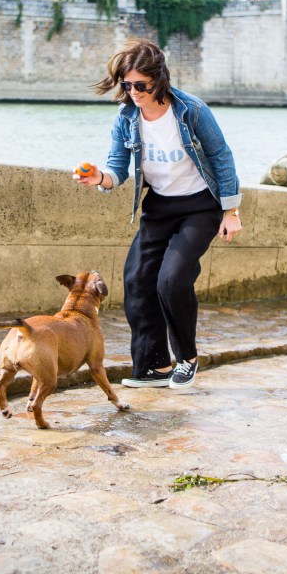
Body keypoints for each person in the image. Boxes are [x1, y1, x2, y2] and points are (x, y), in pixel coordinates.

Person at [73, 38, 243, 390]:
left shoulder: (191, 110)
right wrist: (99, 178)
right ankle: (155, 367)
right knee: (137, 280)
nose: (133, 92)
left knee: (172, 279)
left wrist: (231, 211)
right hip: (160, 206)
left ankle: (188, 359)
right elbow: (117, 167)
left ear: (159, 79)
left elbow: (222, 157)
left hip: (200, 205)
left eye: (141, 85)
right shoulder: (125, 118)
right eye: (127, 84)